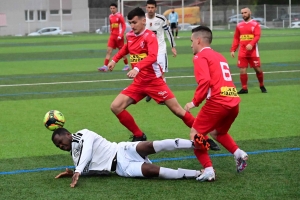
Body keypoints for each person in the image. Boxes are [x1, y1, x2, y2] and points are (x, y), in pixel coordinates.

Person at [106, 7, 220, 151]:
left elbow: (153, 56)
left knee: (178, 111)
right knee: (115, 106)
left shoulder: (149, 37)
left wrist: (137, 67)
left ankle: (205, 137)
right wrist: (114, 60)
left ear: (143, 21)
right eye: (130, 23)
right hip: (139, 82)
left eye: (134, 22)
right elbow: (126, 48)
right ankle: (139, 135)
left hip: (154, 81)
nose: (132, 26)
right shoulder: (129, 35)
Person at [184, 26, 248, 182]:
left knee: (195, 135)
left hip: (218, 103)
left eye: (192, 41)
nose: (191, 45)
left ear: (198, 40)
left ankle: (208, 170)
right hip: (233, 102)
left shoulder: (199, 57)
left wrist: (194, 102)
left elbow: (205, 80)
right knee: (217, 133)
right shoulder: (219, 56)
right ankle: (239, 153)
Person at [52, 127, 203, 187]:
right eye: (57, 146)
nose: (61, 146)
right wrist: (75, 172)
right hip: (121, 168)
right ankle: (197, 173)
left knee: (150, 145)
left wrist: (77, 170)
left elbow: (88, 150)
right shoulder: (75, 157)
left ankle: (195, 144)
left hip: (122, 150)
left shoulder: (83, 134)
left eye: (60, 142)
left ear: (67, 134)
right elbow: (88, 169)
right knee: (154, 171)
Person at [145, 0, 177, 103]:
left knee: (161, 72)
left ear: (156, 8)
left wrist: (173, 46)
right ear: (146, 8)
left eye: (152, 7)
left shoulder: (161, 19)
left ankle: (164, 96)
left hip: (160, 49)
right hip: (147, 51)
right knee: (147, 73)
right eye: (149, 7)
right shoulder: (142, 19)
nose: (150, 9)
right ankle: (151, 92)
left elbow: (168, 33)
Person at [230, 7, 267, 94]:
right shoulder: (239, 25)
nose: (243, 14)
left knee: (257, 69)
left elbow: (257, 36)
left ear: (250, 13)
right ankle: (244, 88)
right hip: (242, 51)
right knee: (242, 70)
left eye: (245, 12)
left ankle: (261, 85)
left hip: (253, 51)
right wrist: (233, 49)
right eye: (242, 13)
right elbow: (236, 38)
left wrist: (251, 44)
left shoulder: (255, 24)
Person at [98, 3, 129, 72]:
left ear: (116, 8)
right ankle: (105, 66)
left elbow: (124, 26)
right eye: (111, 8)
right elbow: (111, 25)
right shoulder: (110, 16)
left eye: (113, 8)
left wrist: (120, 35)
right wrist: (111, 32)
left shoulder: (120, 16)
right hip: (112, 36)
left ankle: (126, 65)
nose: (112, 10)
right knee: (108, 51)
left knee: (122, 52)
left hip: (119, 37)